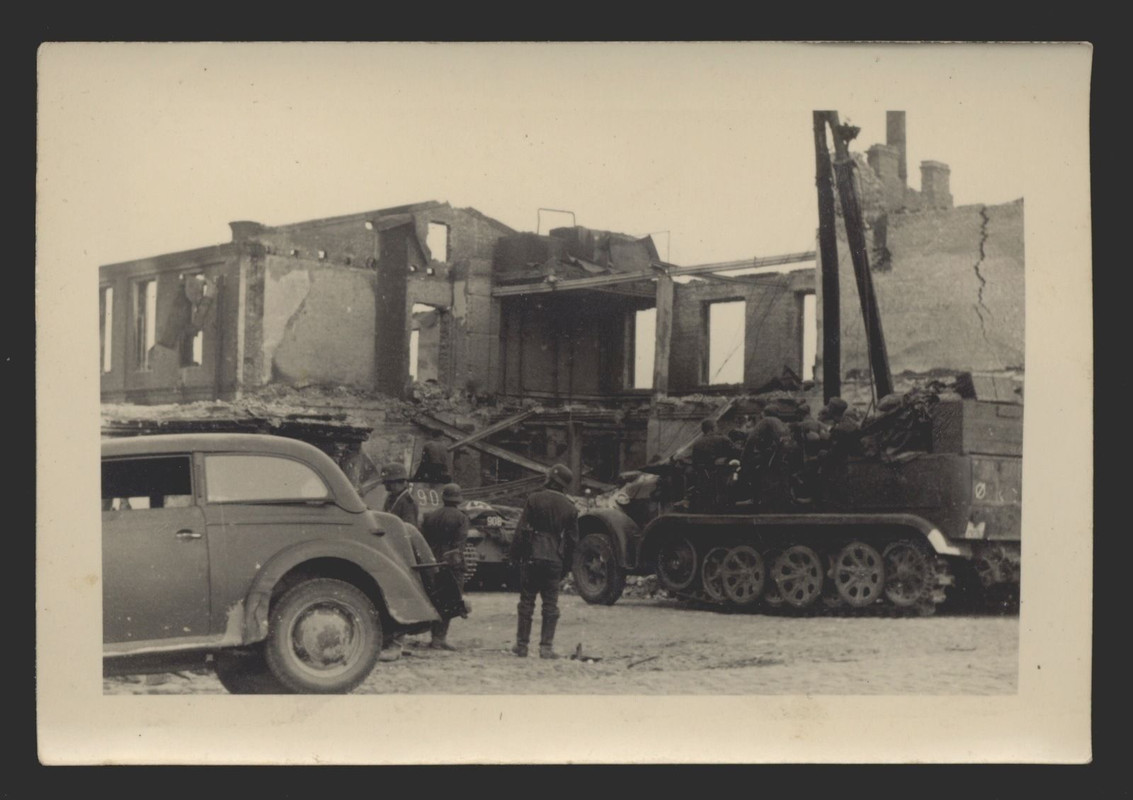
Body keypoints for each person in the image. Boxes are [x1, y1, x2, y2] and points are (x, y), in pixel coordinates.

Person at [508, 464, 579, 659]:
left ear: (550, 479)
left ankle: (522, 646)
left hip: (533, 556)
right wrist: (565, 565)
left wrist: (515, 556)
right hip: (554, 558)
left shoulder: (534, 499)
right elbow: (572, 541)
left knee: (526, 602)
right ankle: (546, 648)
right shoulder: (570, 507)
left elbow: (521, 531)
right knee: (550, 604)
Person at [378, 462, 420, 662]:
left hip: (400, 554)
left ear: (402, 482)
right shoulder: (392, 497)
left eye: (391, 483)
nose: (387, 487)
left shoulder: (407, 502)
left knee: (399, 597)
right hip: (390, 551)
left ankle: (396, 645)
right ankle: (391, 642)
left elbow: (408, 530)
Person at [420, 483, 470, 651]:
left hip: (432, 561)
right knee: (449, 600)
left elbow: (424, 540)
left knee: (435, 598)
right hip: (451, 562)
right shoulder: (461, 518)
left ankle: (434, 637)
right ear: (458, 499)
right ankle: (440, 639)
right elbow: (459, 545)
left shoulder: (431, 516)